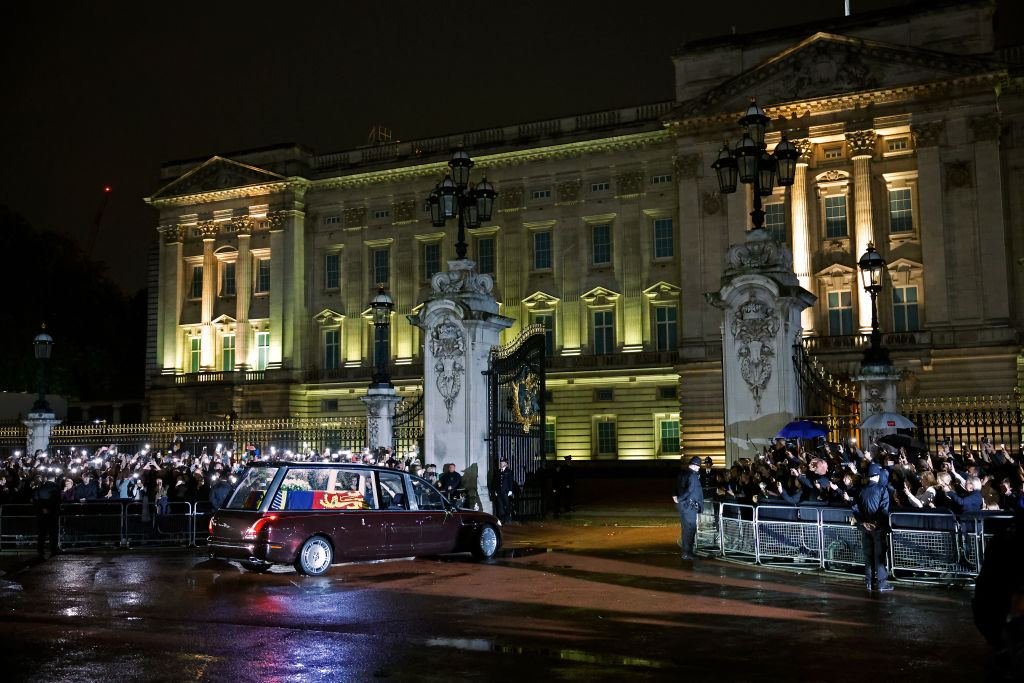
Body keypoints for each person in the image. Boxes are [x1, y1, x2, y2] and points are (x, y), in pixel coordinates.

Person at [854, 463, 893, 592]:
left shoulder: (860, 490)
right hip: (878, 528)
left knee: (868, 555)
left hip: (865, 527)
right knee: (879, 556)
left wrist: (863, 522)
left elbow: (855, 508)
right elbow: (884, 509)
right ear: (877, 475)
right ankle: (882, 583)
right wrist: (876, 523)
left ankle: (869, 582)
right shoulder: (882, 489)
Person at [673, 456, 704, 561]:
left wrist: (675, 496)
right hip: (689, 506)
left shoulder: (682, 473)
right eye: (699, 466)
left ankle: (686, 552)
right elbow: (690, 490)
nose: (699, 468)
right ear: (695, 466)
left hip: (684, 506)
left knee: (686, 529)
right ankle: (687, 553)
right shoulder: (693, 476)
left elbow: (676, 486)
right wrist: (680, 499)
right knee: (690, 530)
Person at [32, 473, 62, 559]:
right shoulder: (56, 487)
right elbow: (57, 500)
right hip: (52, 514)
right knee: (53, 533)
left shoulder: (41, 487)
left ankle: (40, 551)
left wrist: (42, 508)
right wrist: (49, 508)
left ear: (46, 478)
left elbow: (35, 499)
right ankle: (53, 550)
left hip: (41, 514)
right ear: (54, 478)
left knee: (42, 534)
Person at [494, 457, 515, 523]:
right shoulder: (498, 471)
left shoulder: (509, 472)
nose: (501, 463)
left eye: (502, 462)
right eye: (501, 462)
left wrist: (510, 490)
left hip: (506, 491)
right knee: (500, 506)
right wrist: (496, 491)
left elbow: (510, 481)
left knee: (507, 505)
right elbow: (496, 482)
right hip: (499, 492)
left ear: (506, 463)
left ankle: (508, 518)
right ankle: (502, 519)